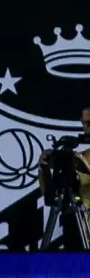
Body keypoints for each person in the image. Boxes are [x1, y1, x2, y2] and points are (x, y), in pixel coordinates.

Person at [38, 107, 90, 250]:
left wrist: (85, 167)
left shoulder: (82, 159)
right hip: (78, 234)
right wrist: (44, 168)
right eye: (86, 123)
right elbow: (49, 194)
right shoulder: (81, 157)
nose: (88, 127)